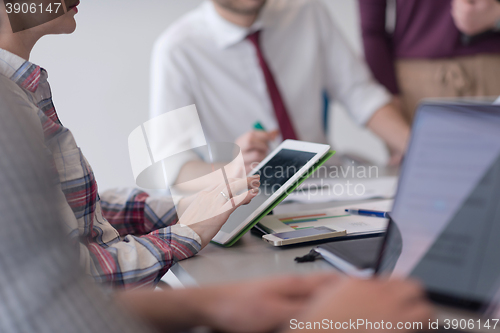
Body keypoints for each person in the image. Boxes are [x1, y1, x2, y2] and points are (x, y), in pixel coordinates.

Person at [0, 0, 261, 290]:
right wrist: (188, 231)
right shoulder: (7, 111)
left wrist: (190, 207)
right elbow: (70, 277)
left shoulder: (22, 88)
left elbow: (75, 216)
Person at [150, 0, 411, 174]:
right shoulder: (178, 50)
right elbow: (169, 165)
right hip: (249, 198)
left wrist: (416, 149)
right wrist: (233, 169)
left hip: (326, 182)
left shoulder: (306, 11)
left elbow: (360, 95)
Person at [359, 0, 500, 123]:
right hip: (415, 87)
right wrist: (390, 100)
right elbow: (372, 29)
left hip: (492, 74)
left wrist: (496, 14)